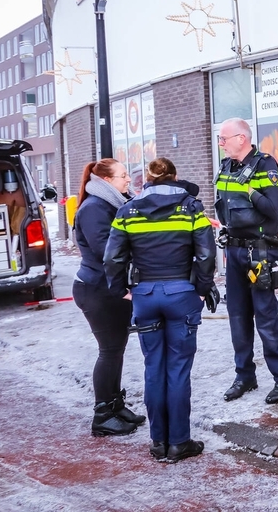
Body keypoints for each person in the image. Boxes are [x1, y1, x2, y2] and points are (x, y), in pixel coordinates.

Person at [104, 158, 218, 463]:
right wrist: (203, 289)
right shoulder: (191, 207)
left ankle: (158, 442)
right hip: (181, 293)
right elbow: (206, 254)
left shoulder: (127, 210)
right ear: (175, 176)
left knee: (153, 368)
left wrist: (121, 290)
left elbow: (112, 257)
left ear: (148, 179)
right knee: (178, 369)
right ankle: (179, 442)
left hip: (145, 295)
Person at [214, 117, 278, 404]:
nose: (221, 144)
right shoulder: (226, 166)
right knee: (237, 316)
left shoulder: (265, 165)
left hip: (259, 251)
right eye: (219, 139)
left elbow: (273, 209)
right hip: (234, 250)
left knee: (266, 316)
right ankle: (244, 375)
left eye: (224, 138)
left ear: (242, 138)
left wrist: (247, 189)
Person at [72, 158, 145, 437]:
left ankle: (115, 405)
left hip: (110, 289)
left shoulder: (112, 204)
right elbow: (107, 253)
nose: (128, 180)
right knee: (109, 351)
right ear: (105, 180)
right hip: (96, 290)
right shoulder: (94, 208)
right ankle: (102, 415)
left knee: (116, 349)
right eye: (123, 176)